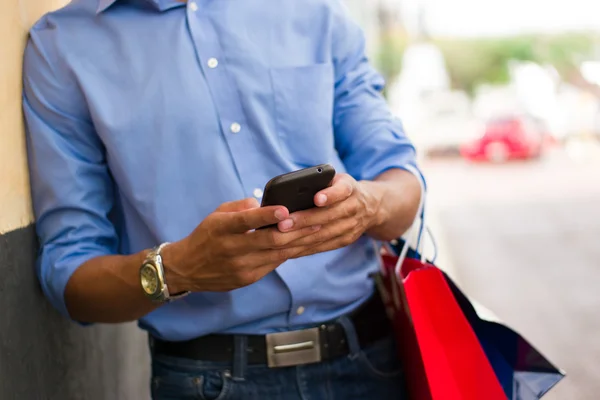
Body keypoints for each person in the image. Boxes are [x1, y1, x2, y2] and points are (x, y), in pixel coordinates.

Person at [23, 0, 424, 398]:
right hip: (205, 382)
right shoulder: (62, 45)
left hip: (371, 362)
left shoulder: (316, 11)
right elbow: (70, 277)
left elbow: (401, 183)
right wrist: (178, 269)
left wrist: (367, 204)